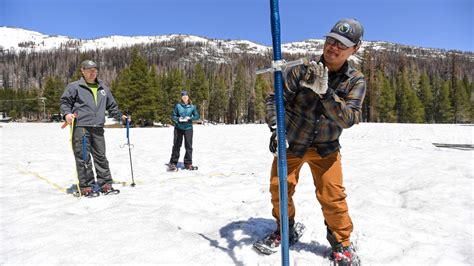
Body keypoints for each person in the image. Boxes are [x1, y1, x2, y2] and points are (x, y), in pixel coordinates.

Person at [263, 18, 365, 265]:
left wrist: (326, 94)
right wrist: (277, 128)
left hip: (326, 149)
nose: (333, 47)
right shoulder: (301, 69)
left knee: (332, 197)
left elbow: (349, 119)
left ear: (355, 49)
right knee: (280, 190)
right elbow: (274, 100)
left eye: (341, 44)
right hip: (293, 144)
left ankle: (341, 244)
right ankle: (285, 229)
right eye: (330, 40)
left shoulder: (354, 80)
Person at [60, 60, 127, 196]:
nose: (92, 73)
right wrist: (66, 114)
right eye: (89, 70)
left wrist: (121, 117)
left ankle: (106, 184)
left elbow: (112, 106)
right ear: (82, 71)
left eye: (94, 70)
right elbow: (65, 102)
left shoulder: (103, 88)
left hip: (98, 127)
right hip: (81, 127)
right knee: (83, 157)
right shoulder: (74, 87)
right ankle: (86, 186)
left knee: (101, 156)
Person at [167, 90, 200, 171]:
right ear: (181, 98)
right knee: (176, 145)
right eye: (183, 96)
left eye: (186, 96)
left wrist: (190, 118)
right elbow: (173, 116)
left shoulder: (192, 107)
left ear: (188, 97)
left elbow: (197, 116)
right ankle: (173, 163)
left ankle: (188, 164)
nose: (185, 98)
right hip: (178, 128)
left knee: (188, 146)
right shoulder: (178, 106)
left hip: (188, 128)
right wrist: (179, 119)